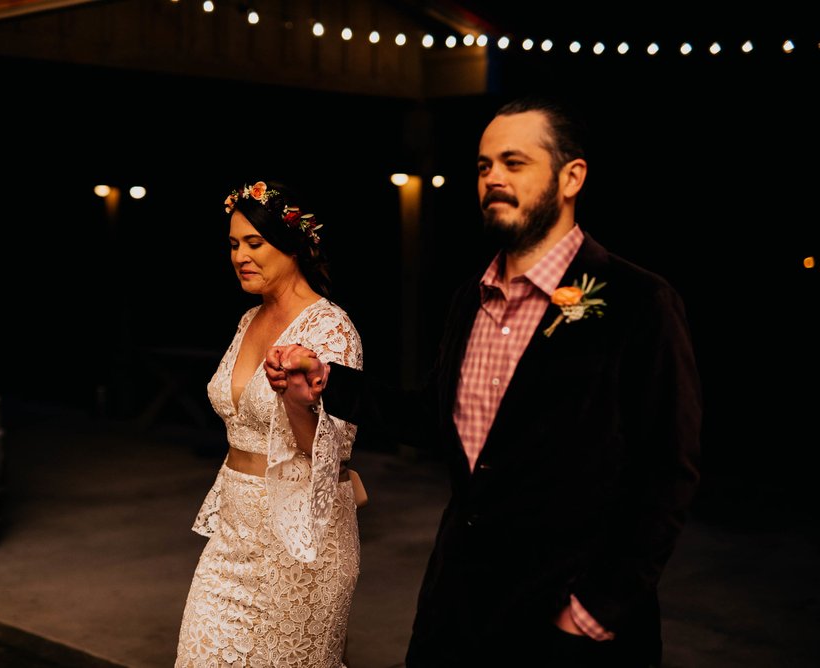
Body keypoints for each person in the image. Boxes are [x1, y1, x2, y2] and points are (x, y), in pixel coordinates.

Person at [265, 98, 701, 667]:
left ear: (571, 177)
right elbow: (436, 418)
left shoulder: (635, 301)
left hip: (568, 626)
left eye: (513, 163)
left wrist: (595, 609)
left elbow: (668, 469)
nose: (493, 177)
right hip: (459, 610)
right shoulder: (471, 298)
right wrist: (327, 382)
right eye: (483, 166)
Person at [175, 180, 363, 668]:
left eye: (254, 243)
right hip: (234, 536)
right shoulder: (247, 321)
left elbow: (331, 451)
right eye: (234, 245)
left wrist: (299, 399)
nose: (241, 255)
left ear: (293, 245)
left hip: (300, 543)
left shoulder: (330, 328)